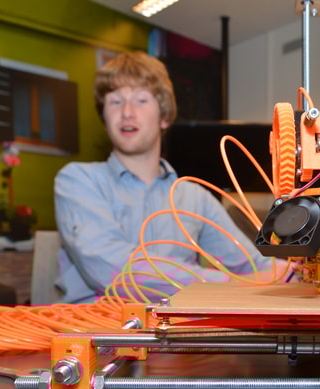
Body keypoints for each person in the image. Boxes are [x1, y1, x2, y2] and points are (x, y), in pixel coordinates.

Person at [54, 51, 287, 304]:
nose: (127, 112)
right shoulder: (77, 180)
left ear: (164, 117)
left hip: (172, 326)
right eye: (115, 101)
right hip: (96, 324)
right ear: (105, 118)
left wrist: (299, 273)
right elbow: (113, 270)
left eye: (141, 100)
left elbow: (252, 266)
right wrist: (224, 283)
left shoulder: (195, 198)